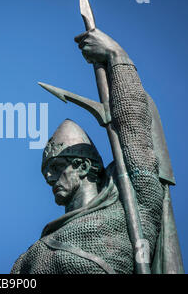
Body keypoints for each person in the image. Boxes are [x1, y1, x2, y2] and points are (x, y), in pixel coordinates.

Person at [11, 28, 171, 274]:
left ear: (83, 166)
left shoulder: (131, 211)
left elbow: (133, 126)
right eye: (47, 172)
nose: (49, 178)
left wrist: (116, 56)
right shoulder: (31, 257)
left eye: (56, 167)